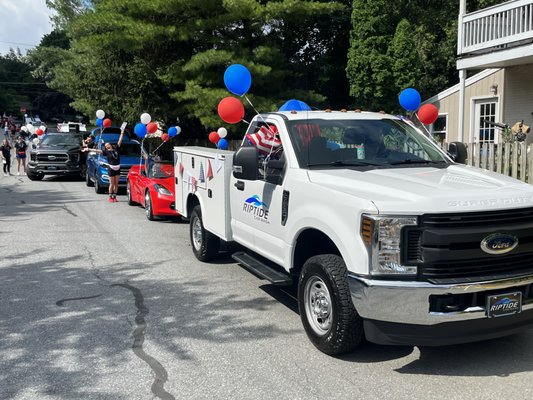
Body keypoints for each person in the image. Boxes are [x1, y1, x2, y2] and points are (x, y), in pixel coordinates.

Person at [82, 127, 125, 202]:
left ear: (110, 145)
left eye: (108, 144)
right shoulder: (106, 152)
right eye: (106, 145)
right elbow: (97, 150)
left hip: (117, 167)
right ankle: (110, 196)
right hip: (111, 168)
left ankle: (115, 196)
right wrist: (88, 149)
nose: (107, 145)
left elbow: (120, 140)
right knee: (111, 183)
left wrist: (122, 132)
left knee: (116, 184)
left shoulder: (116, 149)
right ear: (106, 147)